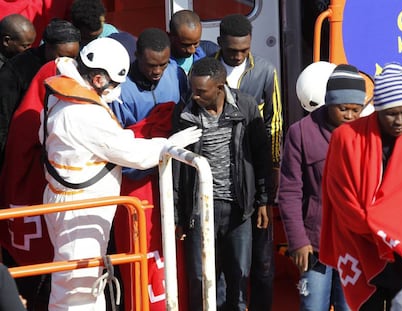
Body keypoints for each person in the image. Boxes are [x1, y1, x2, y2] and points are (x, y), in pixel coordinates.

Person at [39, 37, 201, 310]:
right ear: (99, 79)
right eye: (115, 84)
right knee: (79, 287)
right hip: (81, 209)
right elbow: (130, 153)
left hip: (67, 201)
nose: (117, 90)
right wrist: (168, 145)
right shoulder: (83, 113)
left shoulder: (59, 97)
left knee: (76, 278)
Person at [173, 57, 272, 311]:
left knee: (238, 280)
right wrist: (178, 216)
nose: (194, 96)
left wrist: (263, 200)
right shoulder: (183, 113)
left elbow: (261, 155)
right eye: (192, 89)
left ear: (220, 87)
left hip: (239, 209)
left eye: (201, 92)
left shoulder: (246, 106)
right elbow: (176, 170)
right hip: (199, 211)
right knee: (201, 282)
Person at [319, 62, 402, 311]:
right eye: (391, 113)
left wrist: (393, 230)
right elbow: (339, 194)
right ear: (377, 109)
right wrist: (375, 226)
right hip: (360, 244)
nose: (400, 121)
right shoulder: (346, 137)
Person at [108, 27, 188, 311]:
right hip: (135, 182)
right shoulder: (119, 89)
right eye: (151, 64)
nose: (158, 71)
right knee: (139, 249)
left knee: (173, 250)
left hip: (172, 177)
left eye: (163, 64)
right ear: (137, 57)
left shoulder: (176, 74)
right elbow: (116, 145)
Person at [278, 64, 367, 311]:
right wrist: (297, 241)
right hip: (314, 245)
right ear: (329, 103)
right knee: (312, 305)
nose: (350, 115)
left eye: (356, 110)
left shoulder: (367, 134)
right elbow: (289, 192)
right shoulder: (301, 133)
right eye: (343, 108)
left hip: (354, 246)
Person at [214, 13, 283, 310]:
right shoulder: (209, 69)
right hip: (221, 177)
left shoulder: (266, 71)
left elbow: (275, 121)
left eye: (245, 50)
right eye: (232, 51)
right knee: (223, 262)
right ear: (220, 44)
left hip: (255, 170)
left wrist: (274, 169)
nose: (239, 56)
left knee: (263, 261)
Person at [0, 18, 80, 170]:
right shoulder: (15, 71)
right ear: (47, 46)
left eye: (73, 57)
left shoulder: (75, 67)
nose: (68, 63)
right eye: (62, 56)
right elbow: (3, 122)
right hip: (22, 156)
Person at [168, 9, 219, 75]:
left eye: (196, 43)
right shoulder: (159, 64)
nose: (191, 50)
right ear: (170, 37)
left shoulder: (211, 53)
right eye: (185, 45)